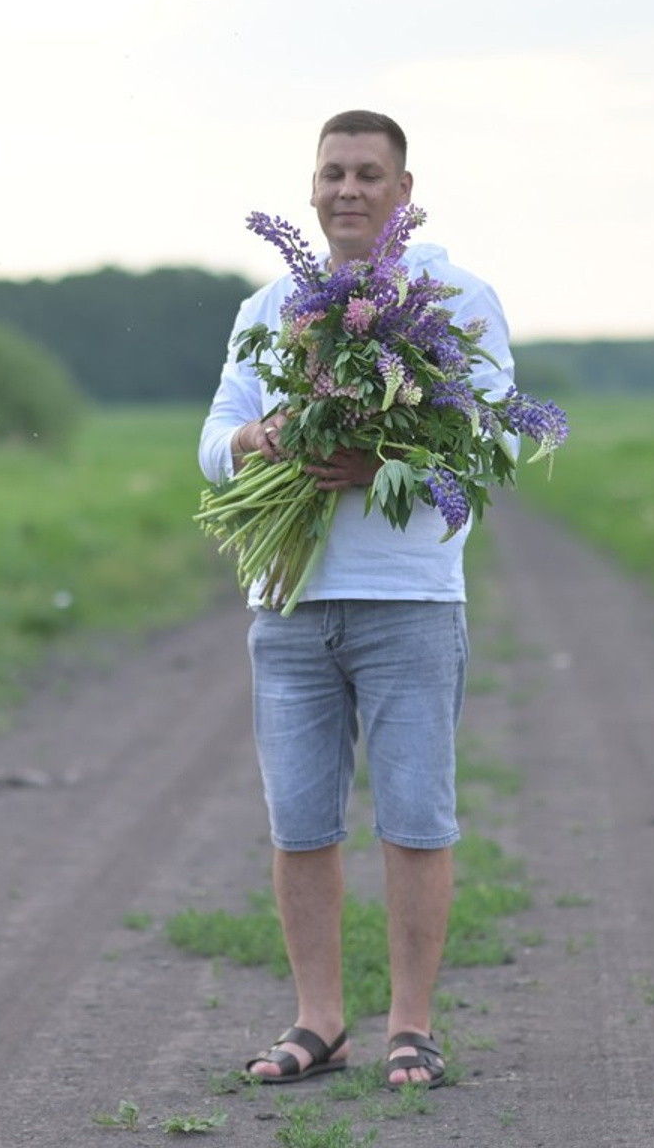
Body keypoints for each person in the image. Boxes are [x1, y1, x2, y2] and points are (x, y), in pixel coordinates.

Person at [198, 109, 515, 1088]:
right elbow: (213, 441)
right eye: (332, 172)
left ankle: (408, 1026)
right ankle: (317, 1021)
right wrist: (258, 442)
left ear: (403, 190)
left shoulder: (456, 297)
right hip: (287, 605)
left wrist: (378, 450)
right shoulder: (265, 308)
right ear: (309, 190)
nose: (347, 189)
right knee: (300, 824)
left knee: (414, 818)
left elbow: (492, 437)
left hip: (408, 604)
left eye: (368, 173)